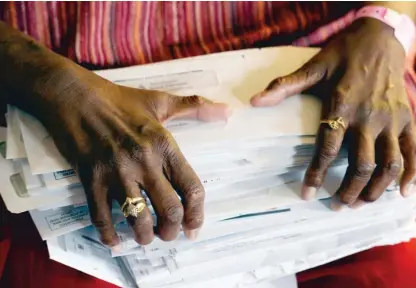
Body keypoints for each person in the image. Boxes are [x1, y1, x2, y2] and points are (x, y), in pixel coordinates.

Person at [0, 1, 416, 287]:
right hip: (67, 88)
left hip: (318, 68)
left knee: (393, 269)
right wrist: (55, 84)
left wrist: (388, 27)